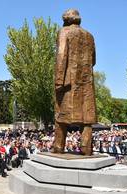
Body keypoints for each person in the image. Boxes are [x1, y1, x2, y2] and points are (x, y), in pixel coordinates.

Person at [53, 9, 97, 155]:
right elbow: (93, 61)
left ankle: (58, 147)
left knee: (60, 117)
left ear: (66, 20)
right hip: (86, 82)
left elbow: (61, 56)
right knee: (87, 119)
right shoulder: (89, 36)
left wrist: (58, 81)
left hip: (68, 82)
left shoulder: (64, 32)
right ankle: (86, 148)